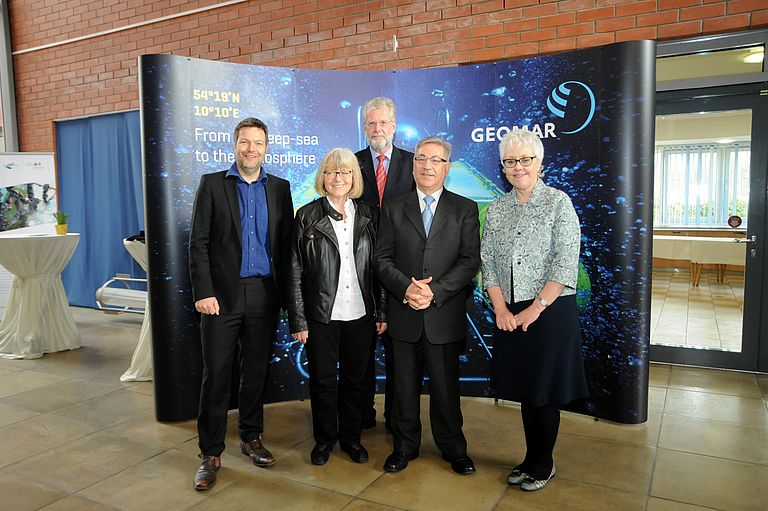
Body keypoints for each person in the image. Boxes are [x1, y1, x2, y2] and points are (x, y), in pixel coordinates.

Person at [188, 117, 294, 491]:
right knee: (217, 374)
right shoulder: (212, 184)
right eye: (245, 142)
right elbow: (198, 243)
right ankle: (210, 453)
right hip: (221, 297)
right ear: (234, 145)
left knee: (256, 372)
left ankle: (251, 437)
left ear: (266, 148)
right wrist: (203, 292)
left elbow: (285, 247)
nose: (251, 149)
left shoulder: (280, 188)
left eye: (258, 143)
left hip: (265, 294)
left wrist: (289, 297)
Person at [480, 129, 588, 492]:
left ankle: (544, 463)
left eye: (525, 159)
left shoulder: (559, 203)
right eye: (510, 161)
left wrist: (536, 308)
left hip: (550, 311)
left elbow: (565, 262)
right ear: (503, 167)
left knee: (544, 391)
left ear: (539, 162)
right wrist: (500, 308)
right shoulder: (498, 208)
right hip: (510, 312)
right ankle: (530, 458)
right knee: (527, 391)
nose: (518, 167)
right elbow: (488, 261)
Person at [374, 136, 480, 475]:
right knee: (403, 387)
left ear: (447, 167)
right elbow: (381, 259)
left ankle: (454, 449)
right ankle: (405, 447)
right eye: (421, 158)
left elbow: (469, 260)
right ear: (413, 165)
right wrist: (407, 288)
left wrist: (435, 292)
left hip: (443, 315)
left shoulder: (465, 209)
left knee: (446, 389)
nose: (427, 166)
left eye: (436, 160)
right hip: (404, 313)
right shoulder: (393, 207)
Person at [288, 147, 387, 465]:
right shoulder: (306, 215)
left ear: (354, 177)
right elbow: (294, 270)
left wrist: (382, 310)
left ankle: (351, 439)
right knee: (323, 381)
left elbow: (381, 268)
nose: (337, 178)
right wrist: (299, 320)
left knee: (357, 382)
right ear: (323, 177)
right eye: (331, 172)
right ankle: (324, 439)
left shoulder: (371, 215)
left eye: (344, 172)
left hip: (361, 313)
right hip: (321, 315)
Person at [355, 96, 415, 430]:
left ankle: (396, 416)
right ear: (364, 128)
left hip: (399, 269)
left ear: (393, 126)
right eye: (371, 123)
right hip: (359, 269)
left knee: (398, 351)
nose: (377, 129)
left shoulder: (414, 163)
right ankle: (362, 414)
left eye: (383, 123)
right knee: (361, 348)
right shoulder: (352, 163)